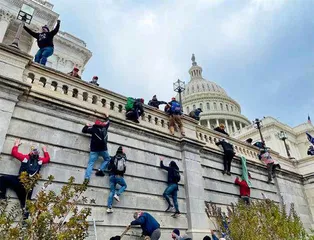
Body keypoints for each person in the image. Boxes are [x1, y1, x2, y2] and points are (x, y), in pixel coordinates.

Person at [0, 139, 50, 218]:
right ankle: (25, 222)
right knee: (26, 205)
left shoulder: (25, 158)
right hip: (28, 187)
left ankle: (2, 197)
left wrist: (16, 144)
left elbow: (14, 153)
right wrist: (45, 150)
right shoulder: (40, 161)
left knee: (3, 179)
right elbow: (47, 159)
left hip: (18, 182)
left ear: (30, 153)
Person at [82, 118, 110, 183]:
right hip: (103, 149)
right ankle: (100, 169)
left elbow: (84, 131)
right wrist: (107, 117)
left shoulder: (93, 129)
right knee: (108, 159)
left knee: (90, 164)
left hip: (94, 150)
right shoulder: (104, 128)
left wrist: (86, 125)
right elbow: (108, 122)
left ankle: (86, 179)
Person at [106, 146, 127, 214]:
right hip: (118, 176)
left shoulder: (113, 157)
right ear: (122, 151)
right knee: (124, 185)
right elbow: (123, 170)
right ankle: (117, 194)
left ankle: (109, 207)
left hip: (111, 176)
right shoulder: (123, 158)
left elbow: (109, 167)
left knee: (112, 191)